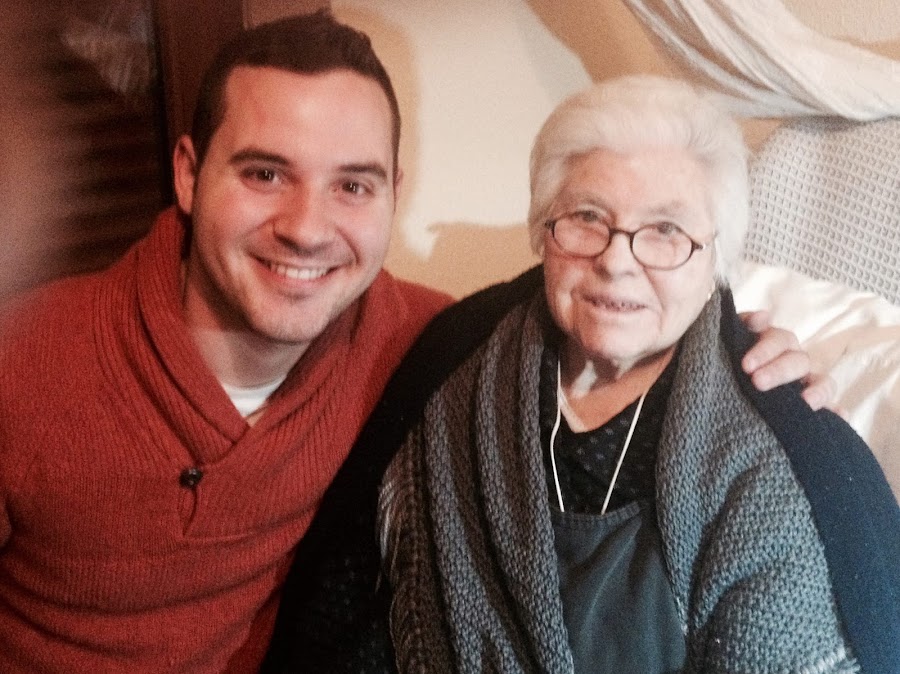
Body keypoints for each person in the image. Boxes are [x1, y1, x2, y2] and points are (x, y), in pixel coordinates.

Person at [0, 12, 830, 673]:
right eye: (263, 174)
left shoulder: (427, 347)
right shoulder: (26, 360)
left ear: (395, 193)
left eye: (352, 185)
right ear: (188, 174)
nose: (305, 229)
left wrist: (737, 343)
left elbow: (608, 312)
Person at [360, 77, 897, 673]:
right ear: (544, 231)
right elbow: (347, 613)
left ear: (716, 257)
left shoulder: (774, 464)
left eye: (666, 230)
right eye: (588, 217)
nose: (617, 262)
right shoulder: (454, 370)